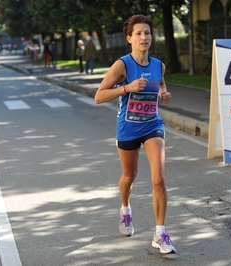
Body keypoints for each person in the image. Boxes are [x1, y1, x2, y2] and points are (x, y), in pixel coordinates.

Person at [94, 14, 175, 254]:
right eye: (138, 33)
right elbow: (99, 95)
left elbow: (160, 84)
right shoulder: (123, 65)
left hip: (153, 125)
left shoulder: (158, 65)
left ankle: (160, 233)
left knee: (158, 178)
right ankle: (125, 209)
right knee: (129, 176)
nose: (144, 37)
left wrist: (164, 93)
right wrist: (126, 88)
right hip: (128, 128)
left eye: (147, 33)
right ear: (129, 38)